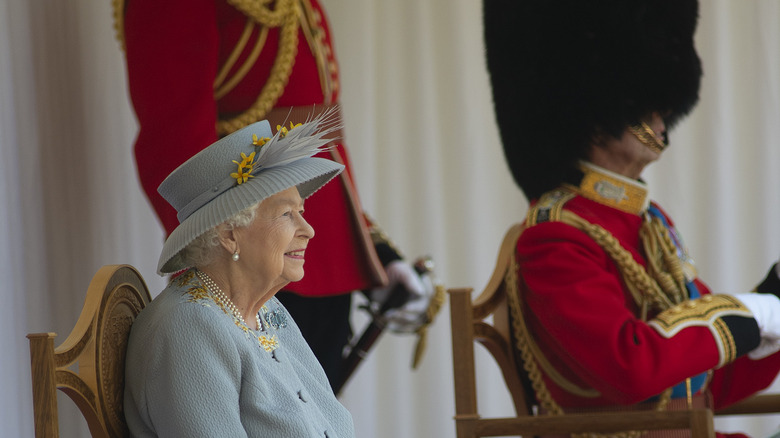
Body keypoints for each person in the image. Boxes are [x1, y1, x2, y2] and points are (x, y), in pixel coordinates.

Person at [483, 0, 780, 435]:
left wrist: (771, 304)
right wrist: (753, 313)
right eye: (649, 106)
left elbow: (708, 379)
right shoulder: (554, 237)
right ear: (596, 116)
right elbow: (631, 368)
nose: (662, 122)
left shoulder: (650, 224)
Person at [116, 0, 437, 389]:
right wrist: (223, 263)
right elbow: (174, 142)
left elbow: (321, 145)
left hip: (321, 260)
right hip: (247, 257)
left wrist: (373, 251)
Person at [124, 111, 355, 437]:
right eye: (287, 214)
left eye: (301, 212)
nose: (308, 230)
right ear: (230, 233)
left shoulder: (266, 310)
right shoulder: (191, 328)